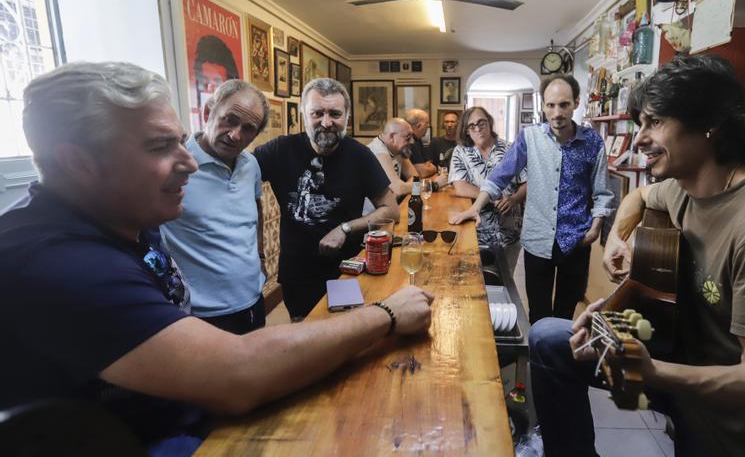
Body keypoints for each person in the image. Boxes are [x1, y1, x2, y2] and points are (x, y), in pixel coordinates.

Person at [0, 62, 433, 453]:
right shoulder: (60, 260)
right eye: (159, 146)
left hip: (186, 406)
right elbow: (237, 373)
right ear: (78, 164)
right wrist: (386, 314)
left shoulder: (127, 213)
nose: (190, 160)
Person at [529, 55, 745, 457]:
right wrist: (620, 248)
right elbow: (640, 196)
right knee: (548, 338)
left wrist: (651, 370)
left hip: (743, 427)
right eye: (640, 124)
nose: (639, 139)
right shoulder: (683, 188)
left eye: (654, 122)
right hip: (684, 362)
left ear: (709, 123)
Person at [451, 74, 614, 324]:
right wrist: (476, 207)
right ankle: (539, 362)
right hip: (538, 239)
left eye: (564, 104)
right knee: (538, 314)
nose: (557, 112)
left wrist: (595, 228)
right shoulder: (530, 137)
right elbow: (500, 175)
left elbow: (602, 192)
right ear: (543, 105)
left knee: (565, 314)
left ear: (576, 103)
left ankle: (559, 359)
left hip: (577, 240)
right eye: (550, 105)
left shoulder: (592, 141)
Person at [254, 78, 400, 320]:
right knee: (304, 341)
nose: (326, 122)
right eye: (317, 113)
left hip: (347, 270)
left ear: (347, 117)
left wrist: (344, 228)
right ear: (303, 114)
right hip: (298, 273)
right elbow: (238, 173)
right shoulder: (280, 150)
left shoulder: (360, 156)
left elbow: (391, 210)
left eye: (335, 114)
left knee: (346, 338)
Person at [160, 79, 270, 335]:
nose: (235, 135)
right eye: (229, 120)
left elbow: (256, 208)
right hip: (200, 314)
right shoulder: (175, 165)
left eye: (248, 129)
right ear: (209, 111)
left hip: (253, 300)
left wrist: (261, 256)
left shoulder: (250, 165)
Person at [449, 107, 527, 273]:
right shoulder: (461, 151)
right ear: (466, 131)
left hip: (510, 232)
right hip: (476, 232)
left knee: (506, 281)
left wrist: (513, 199)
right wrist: (492, 198)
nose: (477, 129)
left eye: (481, 123)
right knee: (477, 280)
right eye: (472, 126)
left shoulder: (511, 148)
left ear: (489, 123)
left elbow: (527, 183)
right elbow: (460, 186)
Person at [366, 118, 418, 198]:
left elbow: (416, 178)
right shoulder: (378, 151)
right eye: (407, 137)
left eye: (412, 136)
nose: (412, 141)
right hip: (375, 209)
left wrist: (406, 187)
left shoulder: (398, 149)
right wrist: (433, 185)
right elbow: (399, 189)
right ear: (392, 137)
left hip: (392, 206)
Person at [403, 108, 438, 178]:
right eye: (427, 123)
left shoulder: (417, 139)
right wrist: (434, 169)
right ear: (419, 126)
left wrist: (426, 167)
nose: (428, 126)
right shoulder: (410, 141)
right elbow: (422, 172)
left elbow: (427, 163)